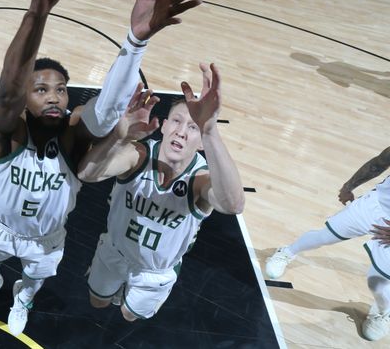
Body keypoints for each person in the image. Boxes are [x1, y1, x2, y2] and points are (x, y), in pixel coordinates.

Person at [0, 0, 205, 336]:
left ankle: (23, 295)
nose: (54, 96)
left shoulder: (72, 138)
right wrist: (36, 14)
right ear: (26, 99)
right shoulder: (9, 133)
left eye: (61, 88)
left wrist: (136, 41)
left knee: (36, 279)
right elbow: (6, 89)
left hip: (45, 238)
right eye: (41, 89)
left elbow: (107, 110)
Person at [78, 61, 244, 322]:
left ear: (201, 142)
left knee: (128, 316)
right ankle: (113, 288)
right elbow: (86, 174)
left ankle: (129, 297)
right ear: (164, 126)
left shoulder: (199, 180)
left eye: (193, 127)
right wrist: (118, 138)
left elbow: (233, 205)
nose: (181, 131)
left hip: (155, 271)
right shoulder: (138, 155)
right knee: (97, 302)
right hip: (114, 251)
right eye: (177, 121)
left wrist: (210, 130)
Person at [265, 146, 390, 342]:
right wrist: (349, 186)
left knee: (377, 283)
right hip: (373, 206)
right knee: (324, 236)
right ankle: (286, 252)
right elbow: (379, 163)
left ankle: (382, 312)